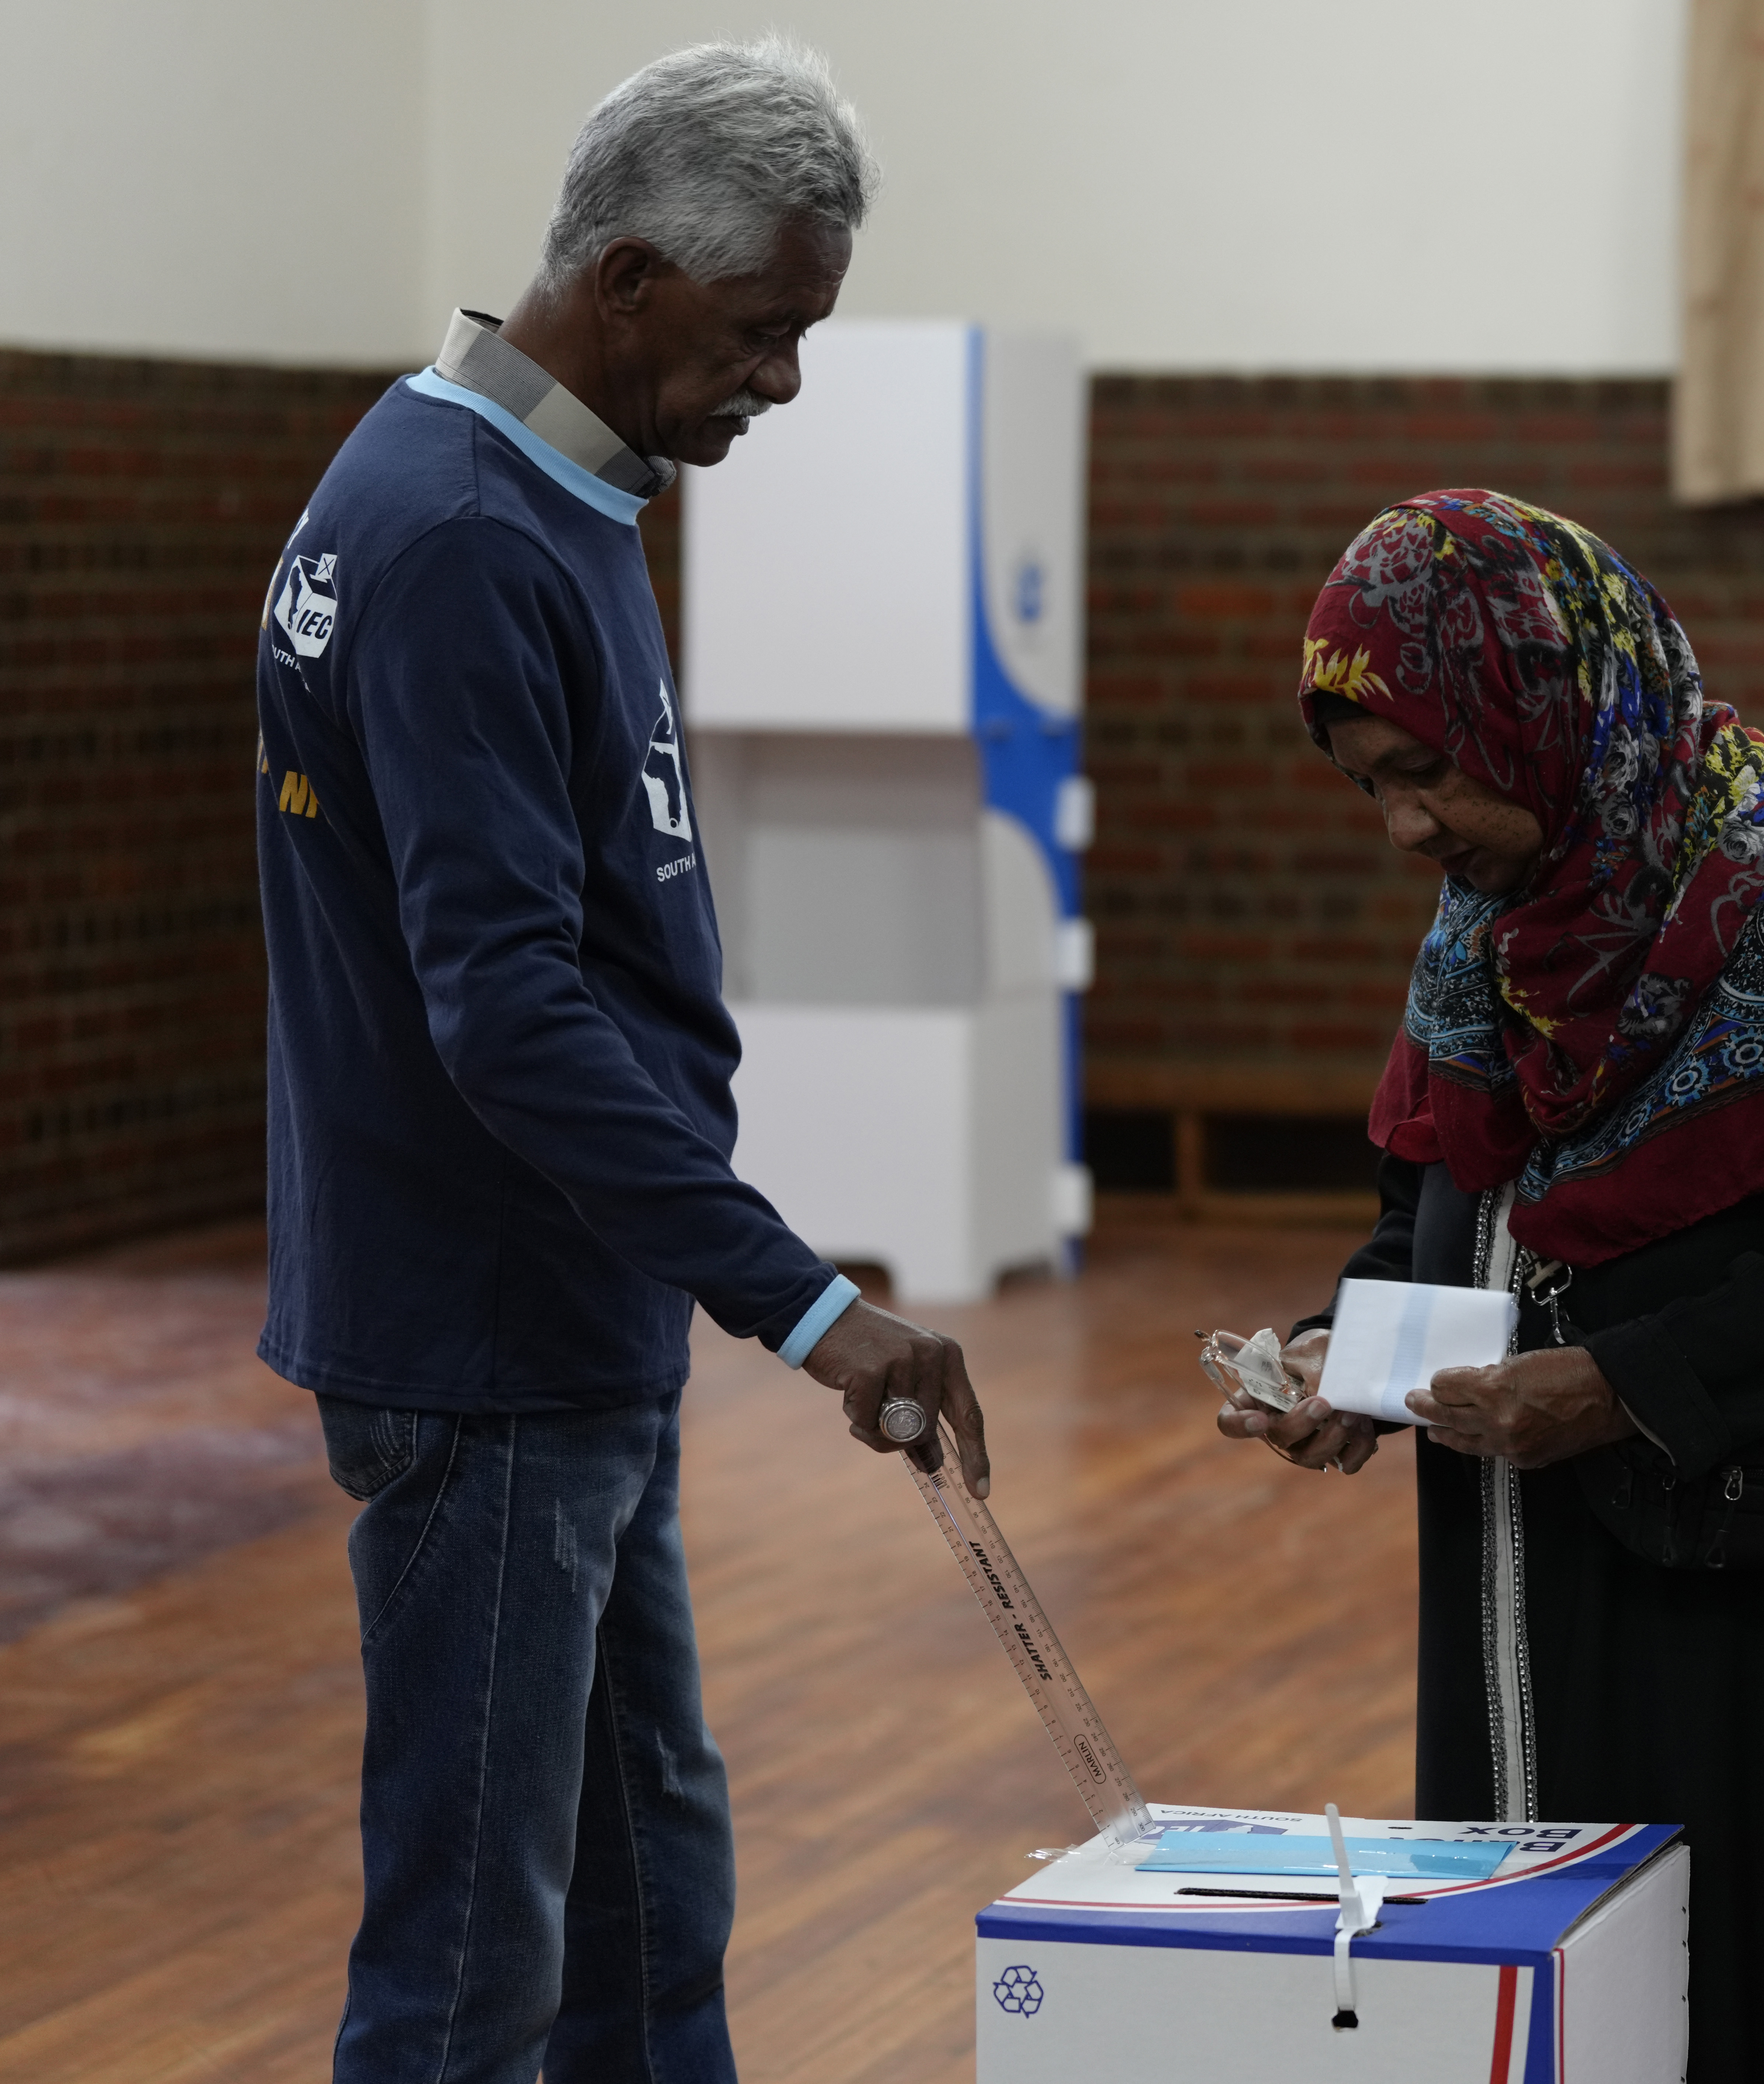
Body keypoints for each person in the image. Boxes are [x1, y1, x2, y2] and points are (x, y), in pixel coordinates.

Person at [252, 42, 987, 2084]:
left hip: (569, 1311)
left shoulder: (542, 484)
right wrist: (808, 1305)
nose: (785, 381)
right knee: (472, 1961)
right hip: (483, 1333)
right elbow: (506, 1010)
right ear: (635, 280)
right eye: (763, 332)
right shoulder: (459, 533)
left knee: (650, 1889)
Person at [1206, 490, 1764, 2083]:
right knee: (1594, 1980)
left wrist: (1625, 1384)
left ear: (1546, 707)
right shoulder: (1492, 925)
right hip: (1556, 1565)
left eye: (1426, 772)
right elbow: (1439, 1197)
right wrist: (1342, 1351)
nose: (1406, 829)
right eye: (1371, 787)